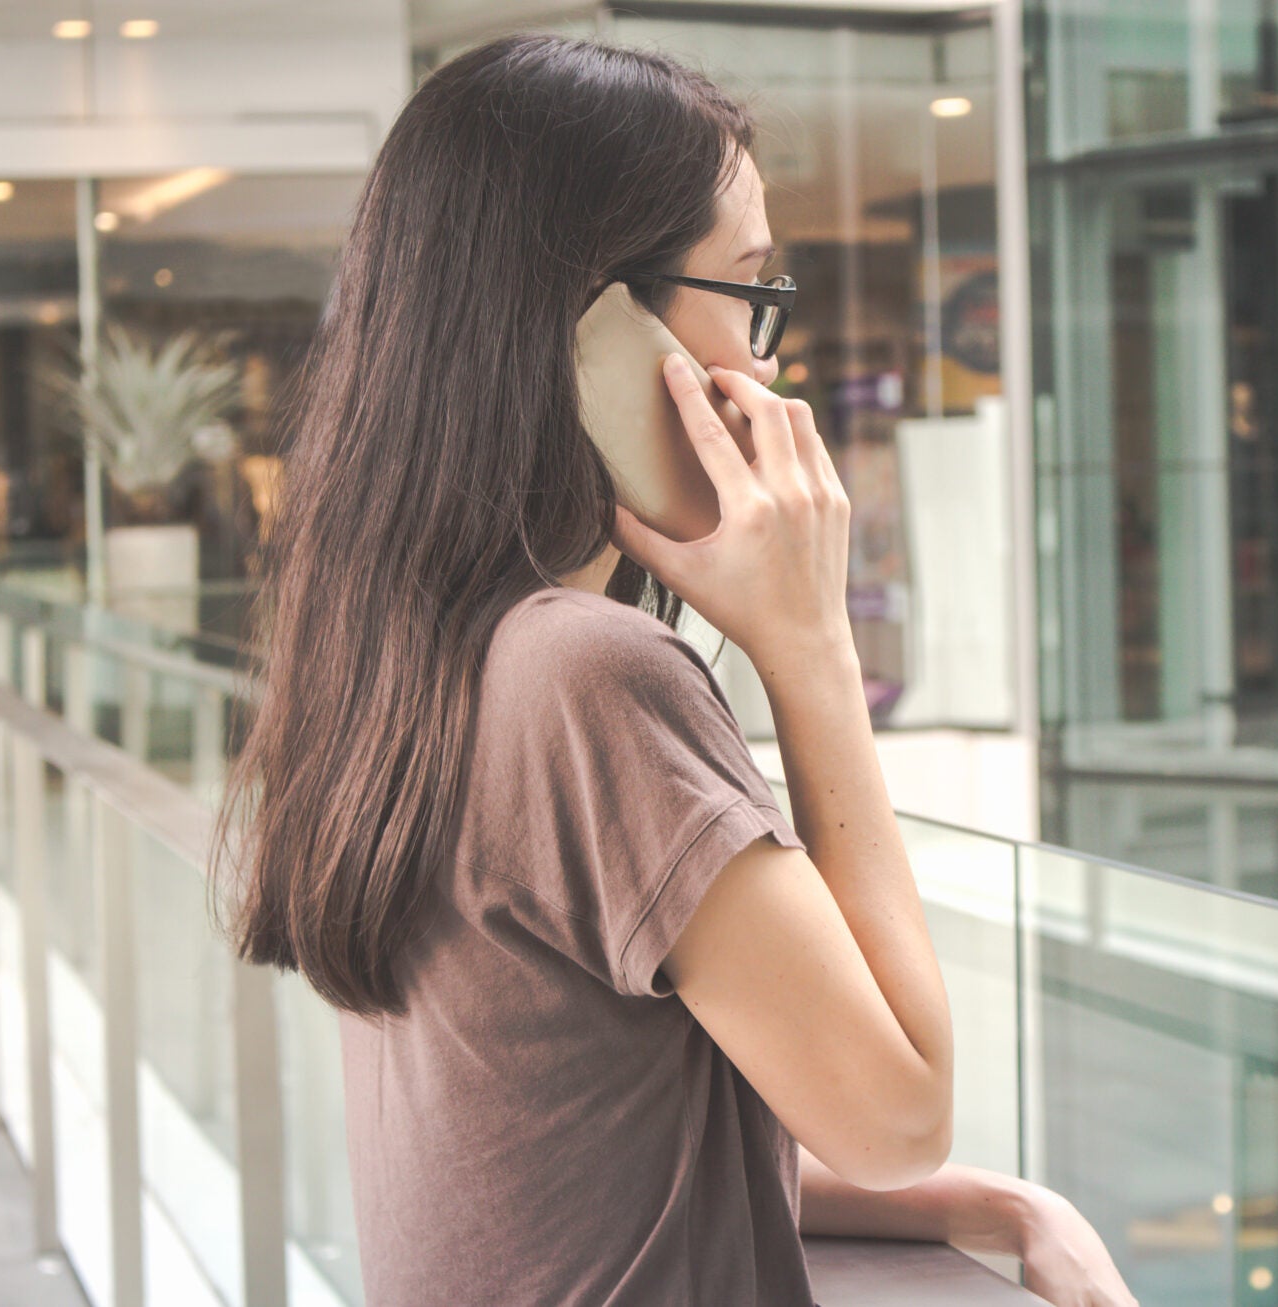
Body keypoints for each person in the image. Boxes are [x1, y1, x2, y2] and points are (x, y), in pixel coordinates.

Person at [211, 32, 1135, 1307]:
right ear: (598, 327)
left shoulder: (407, 643)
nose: (767, 366)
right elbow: (895, 1111)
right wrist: (811, 647)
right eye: (751, 295)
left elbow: (581, 1148)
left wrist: (1000, 1202)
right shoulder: (589, 677)